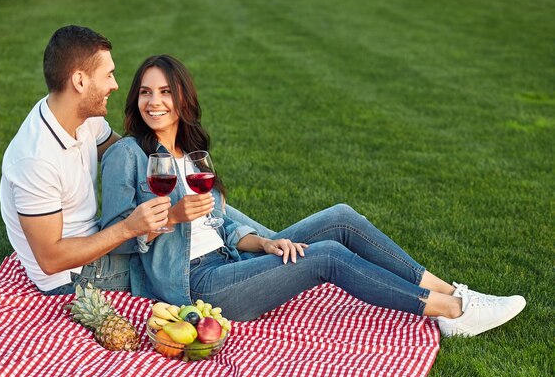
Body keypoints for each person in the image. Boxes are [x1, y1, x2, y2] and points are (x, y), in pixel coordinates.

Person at [100, 54, 526, 337]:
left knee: (340, 217)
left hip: (232, 260)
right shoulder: (128, 155)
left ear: (182, 98)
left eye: (165, 91)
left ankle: (454, 292)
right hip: (197, 284)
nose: (154, 102)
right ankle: (450, 312)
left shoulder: (192, 154)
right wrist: (170, 218)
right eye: (145, 92)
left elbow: (220, 224)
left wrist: (264, 242)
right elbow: (115, 237)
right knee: (324, 256)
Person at [0, 26, 171, 295]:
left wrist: (169, 150)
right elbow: (51, 260)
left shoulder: (82, 118)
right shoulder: (35, 159)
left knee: (190, 213)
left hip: (94, 242)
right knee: (179, 256)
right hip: (72, 276)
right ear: (79, 81)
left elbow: (127, 153)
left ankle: (257, 241)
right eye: (108, 75)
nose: (115, 85)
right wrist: (129, 228)